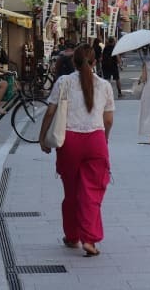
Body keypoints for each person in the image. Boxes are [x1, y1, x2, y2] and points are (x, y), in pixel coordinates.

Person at [39, 45, 114, 257]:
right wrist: (104, 138)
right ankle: (89, 239)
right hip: (96, 141)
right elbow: (108, 119)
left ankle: (72, 236)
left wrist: (42, 137)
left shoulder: (64, 82)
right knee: (91, 192)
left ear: (74, 62)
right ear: (95, 62)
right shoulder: (105, 86)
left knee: (71, 192)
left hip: (69, 141)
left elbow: (50, 112)